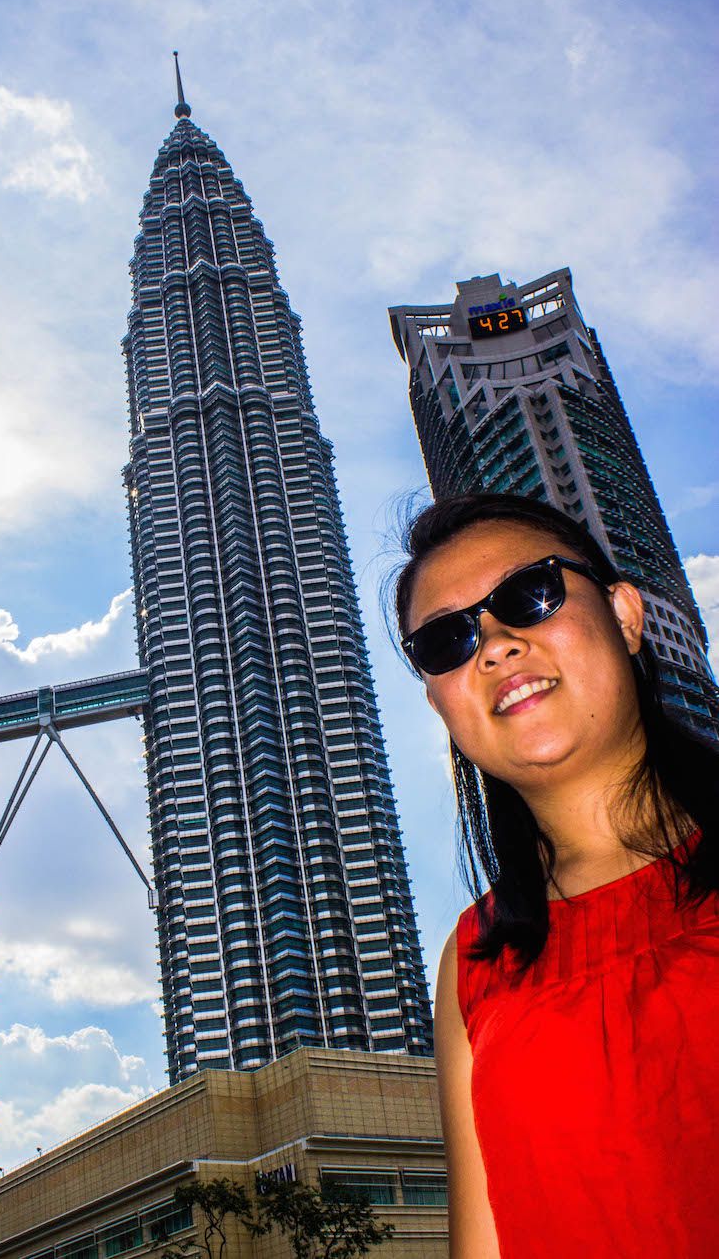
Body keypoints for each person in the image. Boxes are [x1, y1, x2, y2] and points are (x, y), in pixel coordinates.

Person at [392, 492, 719, 1258]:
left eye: (527, 595)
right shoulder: (474, 956)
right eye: (447, 640)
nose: (494, 645)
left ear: (625, 614)